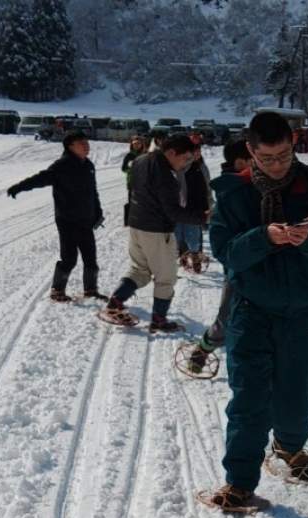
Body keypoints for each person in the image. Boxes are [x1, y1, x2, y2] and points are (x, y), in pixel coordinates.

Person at [203, 111, 308, 510]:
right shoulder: (235, 194)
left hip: (303, 314)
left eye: (284, 155)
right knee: (249, 399)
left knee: (297, 395)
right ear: (250, 151)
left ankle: (288, 446)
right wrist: (263, 238)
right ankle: (239, 481)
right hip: (251, 312)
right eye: (267, 158)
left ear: (295, 146)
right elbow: (224, 252)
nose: (277, 164)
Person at [101, 133, 206, 332]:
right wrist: (203, 218)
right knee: (166, 276)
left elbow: (131, 188)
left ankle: (115, 301)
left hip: (136, 225)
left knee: (139, 269)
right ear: (172, 152)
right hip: (157, 230)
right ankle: (159, 319)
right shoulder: (165, 175)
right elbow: (173, 212)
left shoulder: (140, 160)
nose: (185, 164)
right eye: (185, 158)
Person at [7, 130, 106, 302]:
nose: (86, 145)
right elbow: (40, 179)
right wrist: (19, 187)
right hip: (67, 220)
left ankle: (91, 290)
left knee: (91, 257)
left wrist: (97, 211)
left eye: (86, 142)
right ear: (70, 146)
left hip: (85, 220)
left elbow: (93, 192)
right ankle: (57, 290)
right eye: (81, 143)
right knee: (69, 258)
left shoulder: (88, 165)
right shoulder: (62, 165)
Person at [186, 139, 252, 374]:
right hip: (239, 271)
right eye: (256, 158)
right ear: (241, 162)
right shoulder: (230, 192)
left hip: (264, 270)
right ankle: (202, 349)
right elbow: (222, 245)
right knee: (227, 319)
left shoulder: (257, 184)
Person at [175, 142, 212, 274]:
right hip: (177, 210)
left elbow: (204, 190)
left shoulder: (197, 169)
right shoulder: (175, 168)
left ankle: (196, 263)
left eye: (198, 152)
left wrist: (204, 210)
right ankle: (183, 260)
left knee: (194, 239)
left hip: (193, 210)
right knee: (178, 237)